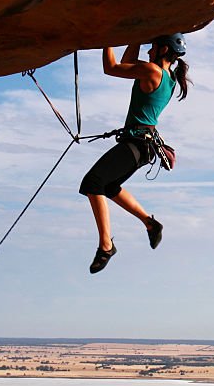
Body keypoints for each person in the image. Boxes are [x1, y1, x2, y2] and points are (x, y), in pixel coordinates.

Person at [79, 33, 190, 273]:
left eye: (152, 47)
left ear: (162, 50)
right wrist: (136, 35)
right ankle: (150, 224)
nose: (148, 52)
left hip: (138, 144)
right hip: (142, 146)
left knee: (93, 182)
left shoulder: (152, 71)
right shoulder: (167, 76)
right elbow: (129, 58)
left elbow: (111, 67)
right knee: (108, 186)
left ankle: (106, 246)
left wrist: (107, 33)